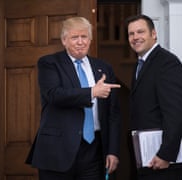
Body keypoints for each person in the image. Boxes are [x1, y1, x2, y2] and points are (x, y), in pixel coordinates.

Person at [26, 16, 121, 180]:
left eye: (84, 37)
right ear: (64, 40)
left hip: (94, 151)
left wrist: (112, 151)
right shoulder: (49, 63)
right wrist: (92, 92)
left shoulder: (103, 67)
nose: (80, 42)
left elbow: (113, 114)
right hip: (57, 151)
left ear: (90, 40)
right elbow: (54, 95)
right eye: (74, 37)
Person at [125, 14, 182, 180]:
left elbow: (175, 113)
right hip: (149, 156)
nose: (135, 37)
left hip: (164, 158)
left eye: (140, 32)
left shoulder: (167, 63)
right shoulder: (140, 64)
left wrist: (166, 154)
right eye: (131, 34)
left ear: (153, 34)